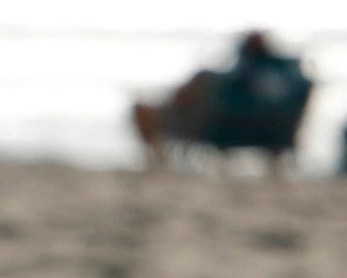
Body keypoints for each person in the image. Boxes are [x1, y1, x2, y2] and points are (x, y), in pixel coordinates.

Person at [130, 31, 311, 173]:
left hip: (214, 125)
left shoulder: (237, 83)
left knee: (196, 84)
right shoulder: (285, 82)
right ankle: (157, 144)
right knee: (196, 86)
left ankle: (155, 152)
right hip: (261, 128)